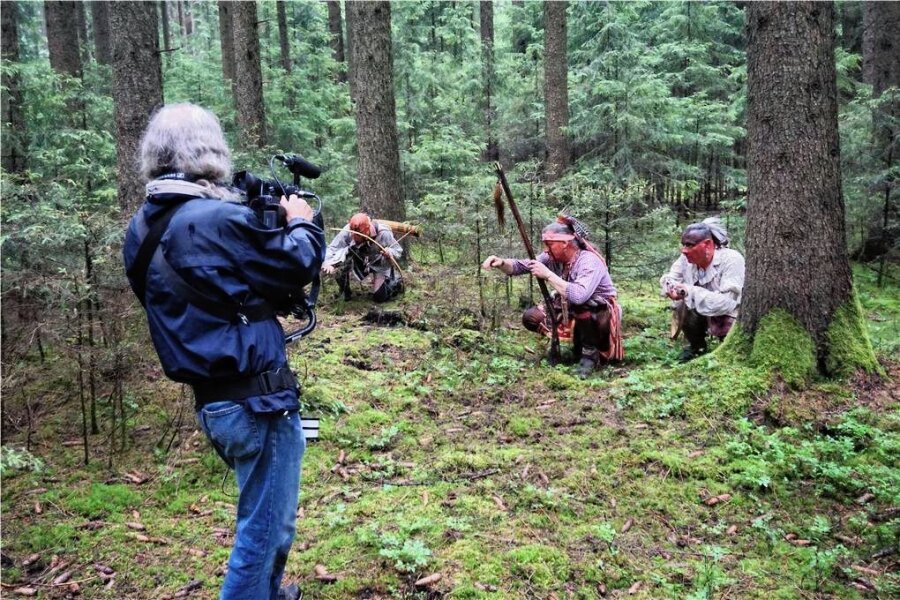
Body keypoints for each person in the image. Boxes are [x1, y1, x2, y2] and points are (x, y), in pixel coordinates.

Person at [122, 103, 324, 600]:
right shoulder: (211, 218)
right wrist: (300, 220)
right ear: (209, 151)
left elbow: (217, 290)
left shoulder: (143, 228)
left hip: (215, 399)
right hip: (256, 401)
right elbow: (297, 262)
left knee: (267, 518)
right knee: (262, 529)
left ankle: (269, 592)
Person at [482, 216, 624, 377]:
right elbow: (521, 266)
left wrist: (548, 275)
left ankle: (590, 354)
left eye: (549, 244)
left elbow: (579, 296)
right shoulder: (552, 257)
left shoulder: (589, 261)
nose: (546, 249)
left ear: (565, 244)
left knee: (581, 304)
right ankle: (573, 345)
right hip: (569, 308)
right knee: (532, 317)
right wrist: (501, 263)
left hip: (599, 314)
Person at [660, 217, 745, 361]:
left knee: (726, 320)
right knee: (683, 304)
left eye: (689, 245)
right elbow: (670, 277)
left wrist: (689, 291)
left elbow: (727, 303)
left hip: (729, 312)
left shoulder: (731, 259)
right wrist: (671, 288)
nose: (684, 251)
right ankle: (696, 346)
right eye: (683, 245)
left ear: (707, 244)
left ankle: (727, 348)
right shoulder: (685, 259)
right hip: (702, 312)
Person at [321, 212, 403, 302]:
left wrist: (390, 252)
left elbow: (398, 250)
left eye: (358, 235)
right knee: (338, 261)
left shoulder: (383, 233)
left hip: (378, 264)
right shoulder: (348, 230)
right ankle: (345, 291)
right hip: (359, 260)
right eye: (353, 234)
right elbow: (333, 248)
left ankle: (395, 281)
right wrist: (328, 262)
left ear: (367, 231)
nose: (354, 237)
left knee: (380, 297)